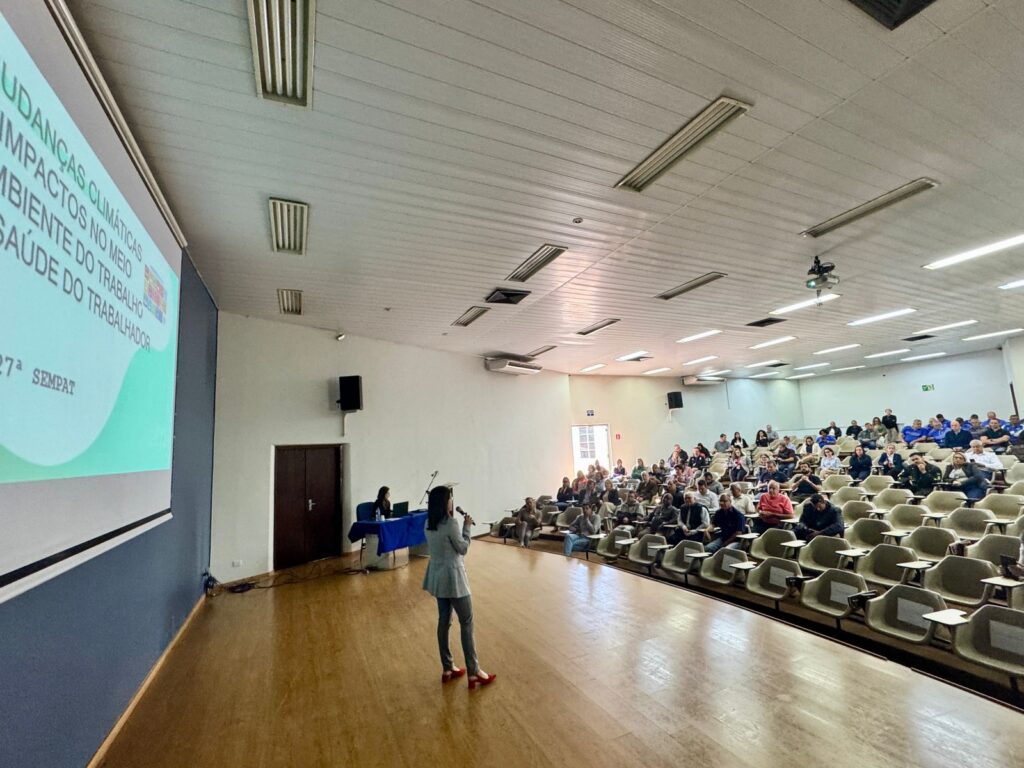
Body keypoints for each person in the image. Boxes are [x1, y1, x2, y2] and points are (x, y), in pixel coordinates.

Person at [422, 485, 494, 689]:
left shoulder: (428, 523)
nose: (452, 502)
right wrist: (467, 526)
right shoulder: (452, 523)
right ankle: (474, 672)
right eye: (450, 499)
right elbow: (462, 548)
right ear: (445, 503)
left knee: (444, 621)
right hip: (453, 578)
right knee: (467, 621)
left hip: (437, 577)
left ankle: (448, 667)